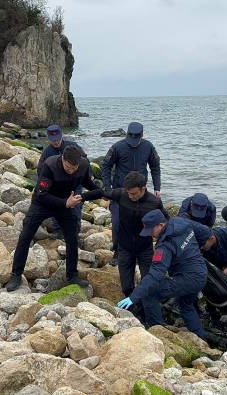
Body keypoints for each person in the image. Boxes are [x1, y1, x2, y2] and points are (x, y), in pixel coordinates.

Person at [6, 145, 99, 292]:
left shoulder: (83, 165)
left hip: (65, 204)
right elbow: (42, 194)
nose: (71, 170)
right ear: (62, 159)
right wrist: (65, 202)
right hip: (42, 203)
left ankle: (72, 275)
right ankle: (16, 275)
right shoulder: (50, 165)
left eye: (74, 168)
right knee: (25, 236)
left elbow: (87, 182)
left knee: (72, 238)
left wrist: (101, 192)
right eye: (68, 167)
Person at [117, 209, 207, 338]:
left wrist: (134, 296)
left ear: (160, 225)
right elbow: (205, 232)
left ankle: (158, 333)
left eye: (151, 230)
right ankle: (201, 338)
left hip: (187, 278)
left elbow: (156, 274)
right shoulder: (181, 222)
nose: (150, 235)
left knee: (149, 293)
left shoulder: (165, 245)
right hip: (201, 273)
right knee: (186, 305)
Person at [82, 171, 167, 298]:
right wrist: (81, 198)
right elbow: (101, 192)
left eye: (133, 193)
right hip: (125, 247)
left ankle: (147, 309)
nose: (130, 196)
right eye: (128, 192)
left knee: (149, 284)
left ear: (143, 188)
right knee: (126, 287)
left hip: (145, 248)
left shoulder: (154, 202)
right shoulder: (121, 194)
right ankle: (132, 308)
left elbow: (166, 222)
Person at [101, 122, 161, 262]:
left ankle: (143, 252)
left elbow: (155, 166)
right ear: (127, 134)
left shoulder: (148, 147)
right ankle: (117, 251)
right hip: (120, 192)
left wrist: (157, 188)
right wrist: (108, 188)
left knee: (143, 223)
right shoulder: (117, 147)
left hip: (140, 193)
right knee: (117, 224)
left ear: (142, 136)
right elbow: (106, 165)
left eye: (136, 139)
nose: (133, 142)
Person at [37, 124, 86, 237]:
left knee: (75, 208)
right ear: (48, 138)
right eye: (53, 140)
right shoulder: (47, 153)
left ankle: (74, 233)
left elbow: (84, 162)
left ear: (62, 135)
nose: (56, 142)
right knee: (57, 207)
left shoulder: (73, 146)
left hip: (74, 185)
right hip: (56, 186)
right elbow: (41, 171)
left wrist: (88, 175)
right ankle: (58, 232)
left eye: (58, 139)